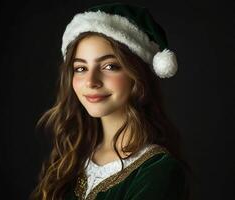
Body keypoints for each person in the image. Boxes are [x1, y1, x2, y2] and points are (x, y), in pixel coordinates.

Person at [31, 2, 191, 200]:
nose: (91, 81)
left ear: (137, 75)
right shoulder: (70, 159)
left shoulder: (157, 171)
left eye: (109, 66)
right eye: (81, 68)